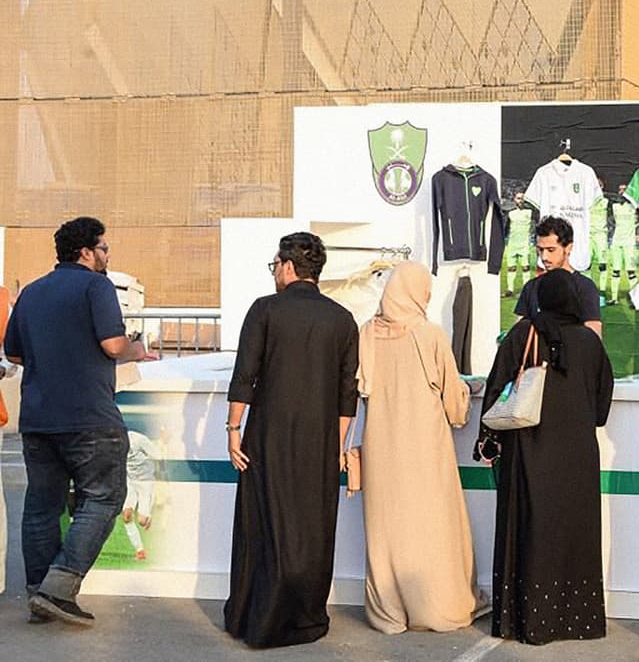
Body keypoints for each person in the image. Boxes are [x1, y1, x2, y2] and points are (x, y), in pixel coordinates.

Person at [4, 216, 150, 626]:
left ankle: (39, 593)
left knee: (41, 507)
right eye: (104, 248)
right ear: (86, 252)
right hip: (89, 417)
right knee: (104, 498)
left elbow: (13, 353)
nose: (107, 256)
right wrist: (137, 350)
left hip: (38, 418)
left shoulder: (32, 292)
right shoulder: (96, 286)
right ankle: (58, 589)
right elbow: (113, 345)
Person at [223, 232, 359, 648]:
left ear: (287, 266)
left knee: (263, 523)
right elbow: (347, 393)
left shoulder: (265, 309)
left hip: (268, 435)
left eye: (275, 265)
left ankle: (254, 615)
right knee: (312, 527)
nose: (274, 273)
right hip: (320, 440)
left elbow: (245, 376)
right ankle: (304, 617)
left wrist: (233, 430)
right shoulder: (343, 319)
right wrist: (337, 446)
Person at [480, 269, 614, 645]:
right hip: (578, 456)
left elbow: (496, 388)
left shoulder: (524, 334)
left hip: (528, 452)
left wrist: (488, 441)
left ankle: (528, 621)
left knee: (530, 530)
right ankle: (578, 620)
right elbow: (601, 406)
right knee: (574, 535)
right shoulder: (589, 342)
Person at [357, 261, 483, 634]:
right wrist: (468, 390)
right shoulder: (430, 335)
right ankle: (436, 606)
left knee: (387, 531)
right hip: (425, 449)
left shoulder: (367, 334)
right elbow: (454, 406)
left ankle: (391, 612)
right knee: (432, 527)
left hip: (381, 449)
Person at [514, 216, 602, 336]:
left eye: (551, 250)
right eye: (540, 250)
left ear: (568, 248)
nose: (544, 257)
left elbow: (593, 335)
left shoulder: (584, 287)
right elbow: (519, 332)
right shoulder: (531, 286)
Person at [121, 430, 162, 561]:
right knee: (126, 516)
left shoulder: (139, 440)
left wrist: (160, 474)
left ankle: (148, 516)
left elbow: (158, 456)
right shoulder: (113, 443)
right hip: (130, 481)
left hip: (146, 482)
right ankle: (140, 551)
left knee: (142, 521)